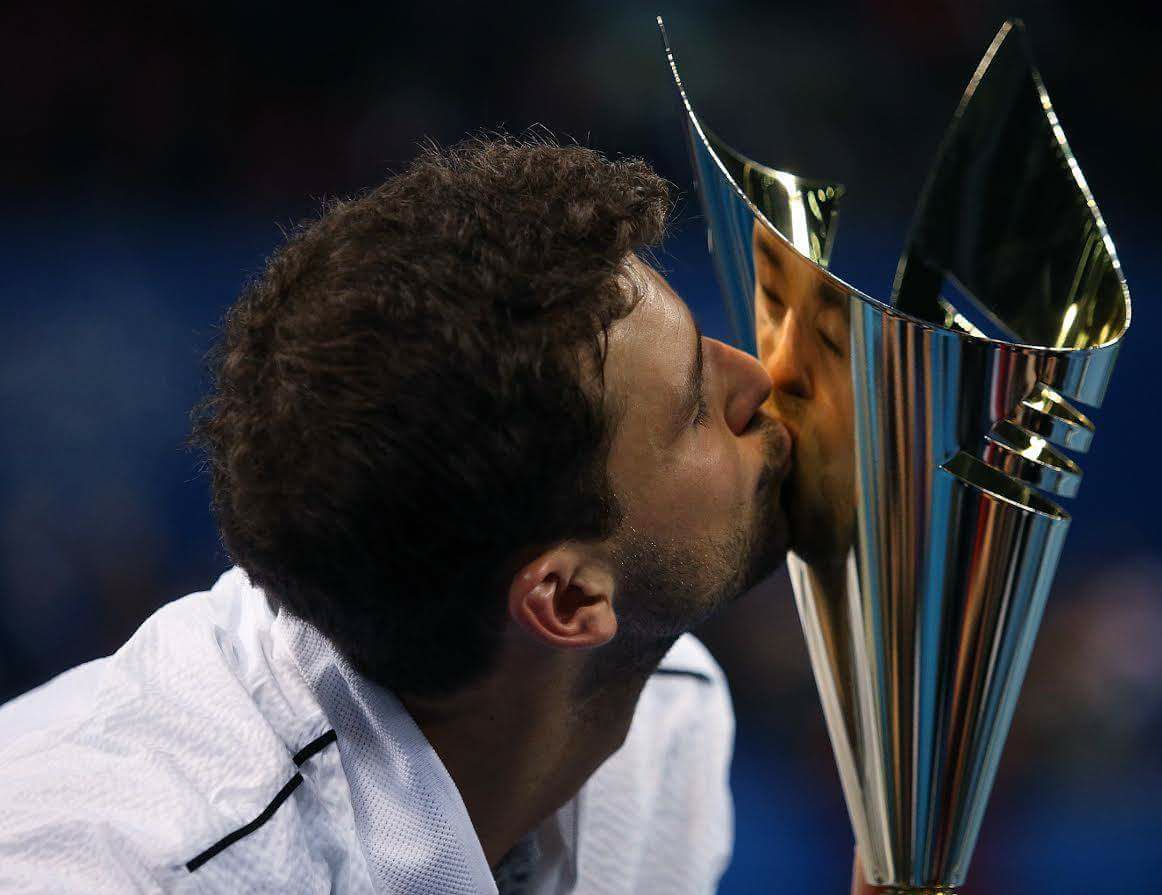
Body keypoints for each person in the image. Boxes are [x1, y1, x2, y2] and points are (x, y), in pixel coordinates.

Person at [0, 137, 799, 893]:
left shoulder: (664, 720)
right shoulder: (136, 871)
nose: (758, 378)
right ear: (565, 599)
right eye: (694, 406)